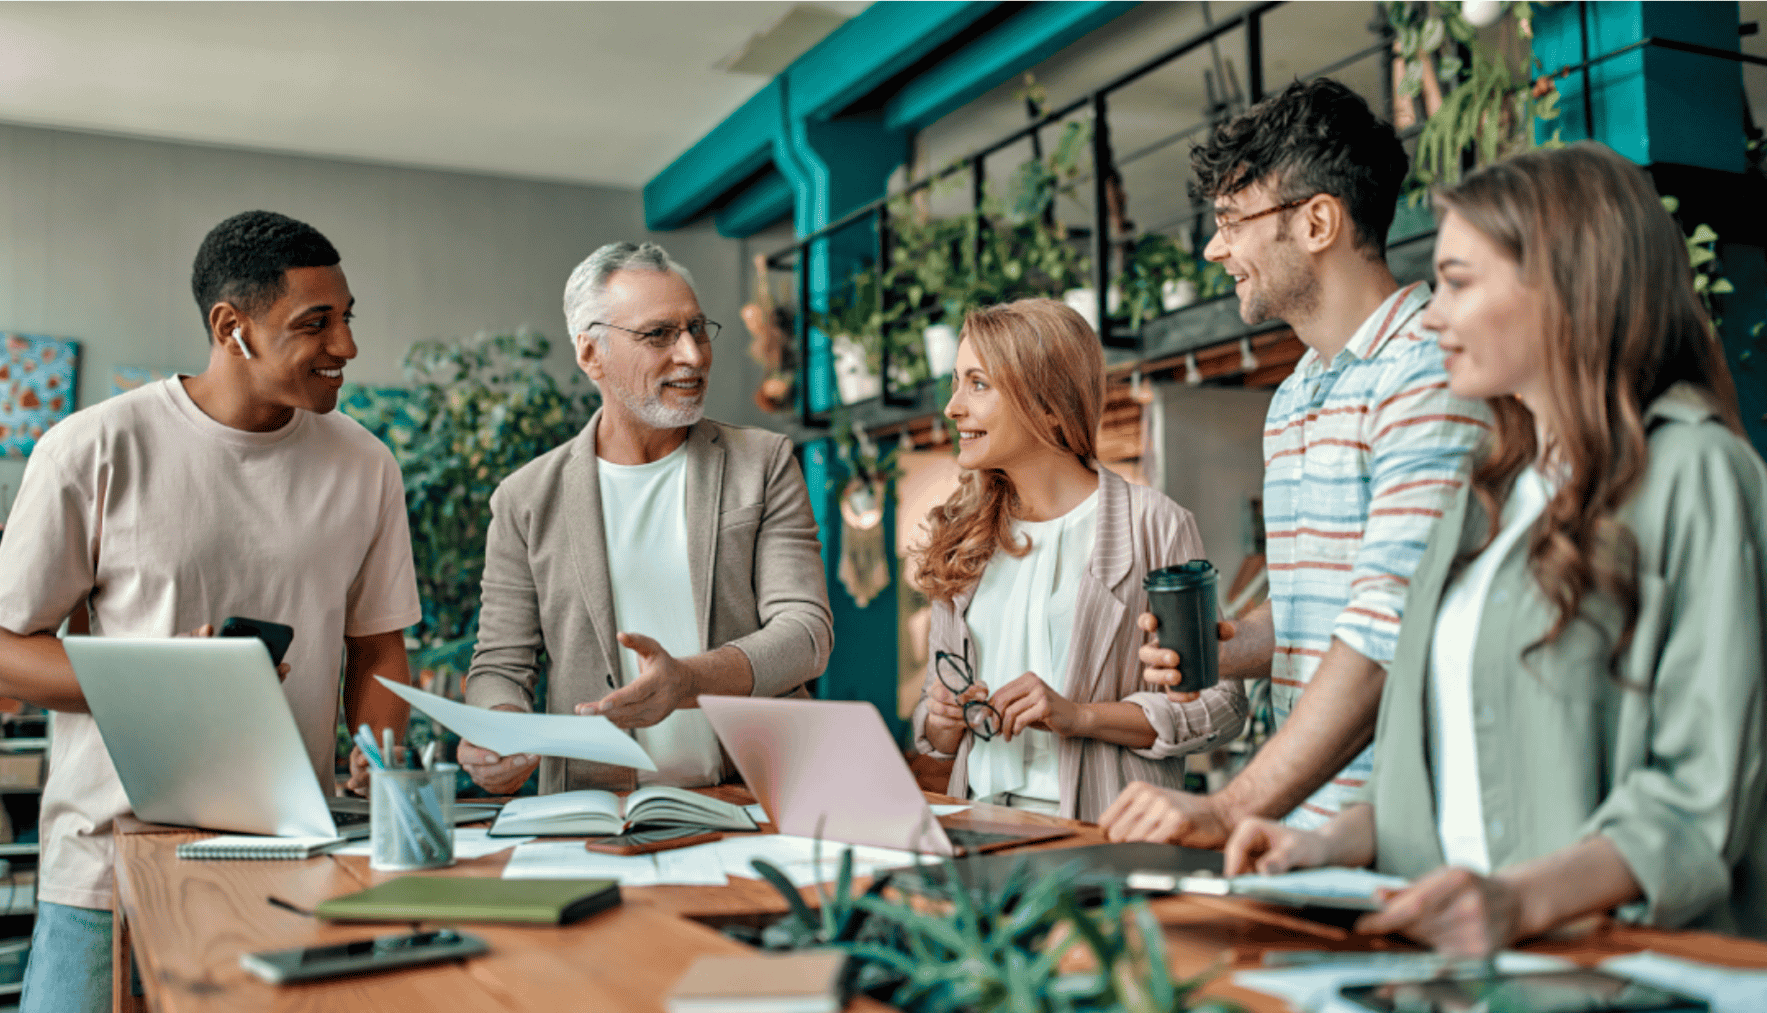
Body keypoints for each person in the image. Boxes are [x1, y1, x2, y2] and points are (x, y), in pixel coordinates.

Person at [1222, 142, 1767, 953]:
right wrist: (1333, 843)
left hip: (1620, 969)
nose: (1432, 312)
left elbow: (1700, 796)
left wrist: (1515, 901)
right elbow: (1467, 759)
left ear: (1567, 285)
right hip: (1476, 969)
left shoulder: (1697, 472)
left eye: (1458, 282)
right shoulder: (1490, 499)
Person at [0, 210, 422, 1013]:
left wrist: (381, 760)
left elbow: (377, 648)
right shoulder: (93, 447)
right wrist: (164, 680)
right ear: (233, 327)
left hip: (296, 855)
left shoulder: (366, 465)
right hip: (107, 863)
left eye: (347, 317)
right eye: (315, 323)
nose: (347, 347)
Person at [1101, 78, 1491, 845]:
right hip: (1299, 831)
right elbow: (1331, 600)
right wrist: (1230, 645)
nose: (1215, 248)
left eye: (1230, 222)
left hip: (1405, 830)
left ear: (1316, 221)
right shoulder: (1292, 398)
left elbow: (1389, 629)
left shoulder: (1427, 369)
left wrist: (1227, 805)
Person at [460, 241, 833, 795]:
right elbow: (500, 663)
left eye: (698, 329)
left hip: (759, 795)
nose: (693, 355)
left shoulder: (764, 462)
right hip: (595, 808)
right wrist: (496, 727)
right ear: (591, 354)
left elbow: (806, 634)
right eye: (659, 334)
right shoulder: (525, 498)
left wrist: (689, 681)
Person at [907, 299, 1246, 822]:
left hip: (1098, 835)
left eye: (977, 384)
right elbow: (935, 723)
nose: (952, 407)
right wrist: (942, 720)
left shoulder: (1153, 524)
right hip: (974, 825)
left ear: (1047, 404)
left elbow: (1219, 707)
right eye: (956, 383)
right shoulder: (962, 535)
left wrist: (1081, 716)